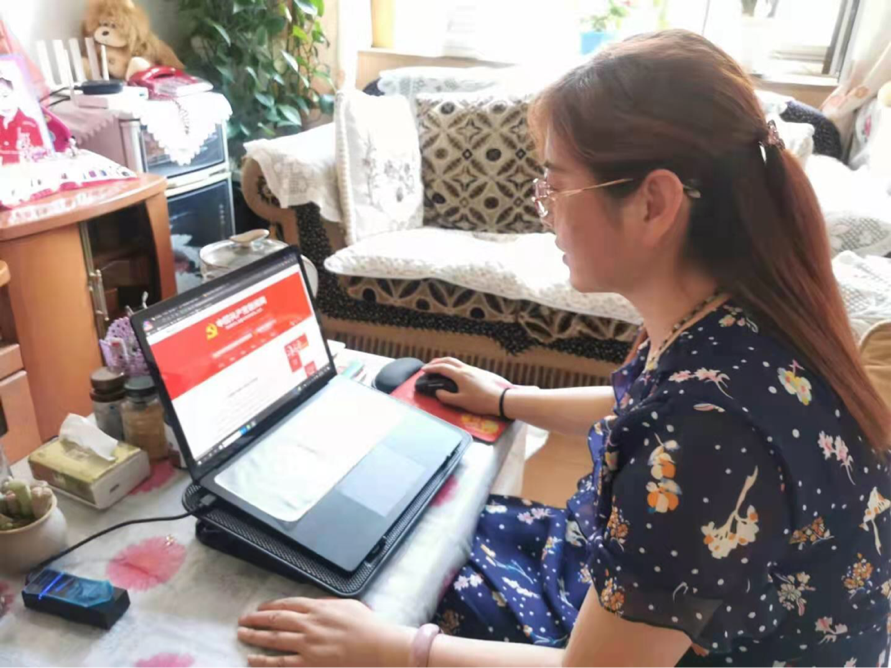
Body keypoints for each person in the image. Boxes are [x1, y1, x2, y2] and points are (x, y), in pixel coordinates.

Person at [236, 30, 891, 667]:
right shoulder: (731, 317)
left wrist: (394, 651)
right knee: (430, 534)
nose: (543, 209)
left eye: (555, 185)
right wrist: (509, 398)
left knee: (392, 592)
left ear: (654, 203)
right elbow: (643, 406)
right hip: (688, 613)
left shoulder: (707, 434)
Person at [0, 75, 45, 164]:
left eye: (5, 95)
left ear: (15, 95)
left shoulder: (30, 124)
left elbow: (40, 156)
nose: (2, 102)